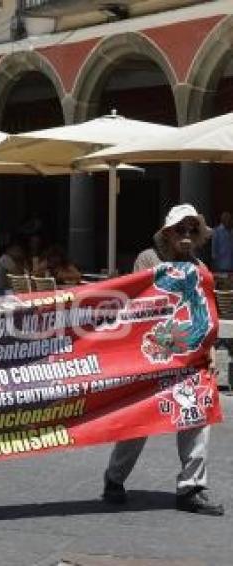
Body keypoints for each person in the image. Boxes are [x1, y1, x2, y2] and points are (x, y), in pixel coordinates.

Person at [102, 203, 223, 516]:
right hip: (150, 355)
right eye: (180, 229)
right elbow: (135, 306)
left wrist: (209, 352)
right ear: (167, 233)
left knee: (197, 418)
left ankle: (192, 488)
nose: (186, 235)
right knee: (139, 421)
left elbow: (207, 317)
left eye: (192, 230)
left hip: (189, 358)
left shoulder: (200, 270)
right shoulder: (148, 259)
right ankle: (115, 479)